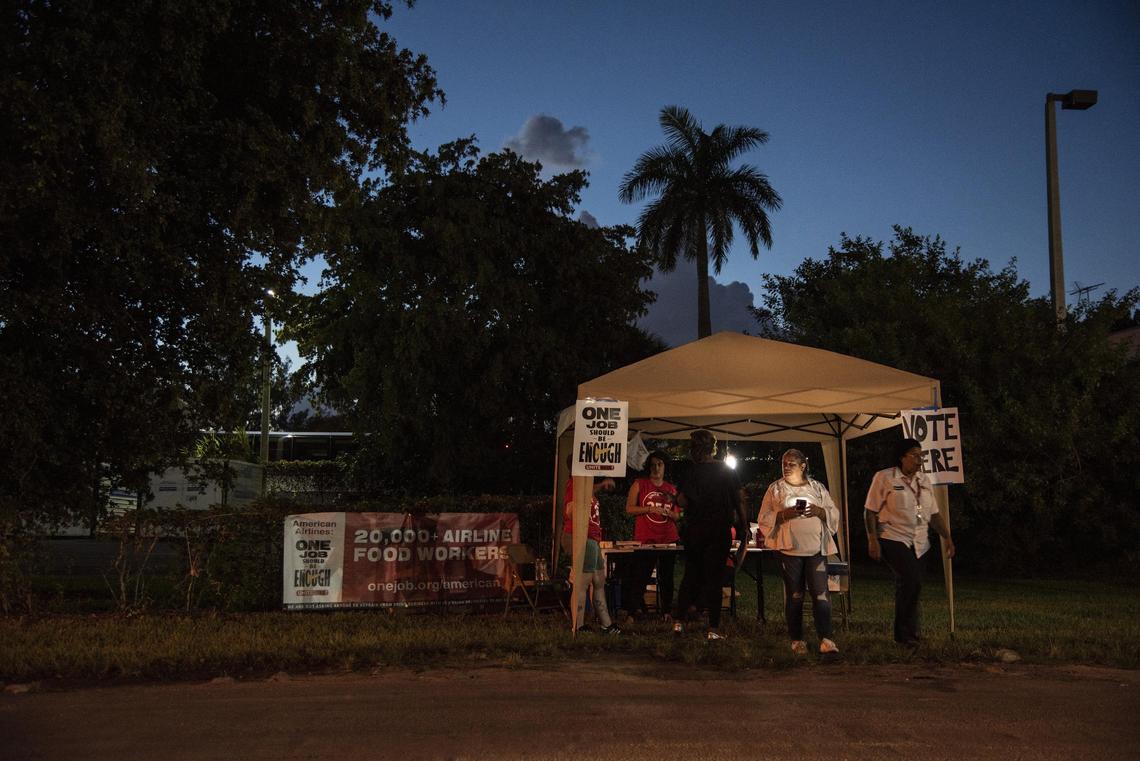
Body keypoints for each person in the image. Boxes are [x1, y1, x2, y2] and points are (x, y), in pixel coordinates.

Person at [864, 438, 956, 646]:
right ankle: (905, 635)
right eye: (914, 455)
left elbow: (933, 514)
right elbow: (869, 511)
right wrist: (872, 539)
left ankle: (908, 634)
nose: (919, 459)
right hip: (893, 536)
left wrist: (947, 537)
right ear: (902, 457)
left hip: (920, 541)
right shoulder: (885, 477)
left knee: (912, 586)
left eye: (921, 455)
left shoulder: (924, 480)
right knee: (911, 580)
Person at [757, 449, 841, 657]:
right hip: (789, 550)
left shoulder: (817, 488)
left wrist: (820, 511)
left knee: (821, 594)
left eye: (791, 464)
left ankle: (826, 639)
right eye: (784, 463)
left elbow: (833, 512)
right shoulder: (775, 489)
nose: (786, 467)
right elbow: (763, 517)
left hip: (815, 550)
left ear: (803, 466)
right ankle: (797, 639)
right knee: (795, 595)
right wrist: (783, 515)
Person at [672, 430, 749, 641]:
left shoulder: (691, 472)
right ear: (713, 448)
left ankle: (678, 622)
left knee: (691, 575)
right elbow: (740, 498)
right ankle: (713, 629)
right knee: (714, 579)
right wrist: (744, 526)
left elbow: (682, 501)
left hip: (695, 529)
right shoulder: (727, 471)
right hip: (718, 529)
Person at [621, 450, 681, 620]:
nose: (656, 468)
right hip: (646, 538)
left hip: (668, 537)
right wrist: (649, 508)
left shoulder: (671, 489)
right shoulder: (639, 484)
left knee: (667, 577)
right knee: (641, 575)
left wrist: (670, 513)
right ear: (648, 466)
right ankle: (633, 612)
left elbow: (678, 515)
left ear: (665, 466)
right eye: (653, 464)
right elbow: (629, 509)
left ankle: (666, 612)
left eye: (660, 464)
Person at [562, 474, 621, 634]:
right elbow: (569, 510)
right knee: (584, 582)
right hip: (583, 537)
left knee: (598, 580)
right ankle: (578, 625)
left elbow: (589, 491)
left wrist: (601, 485)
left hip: (593, 539)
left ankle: (606, 624)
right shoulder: (574, 483)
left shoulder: (587, 487)